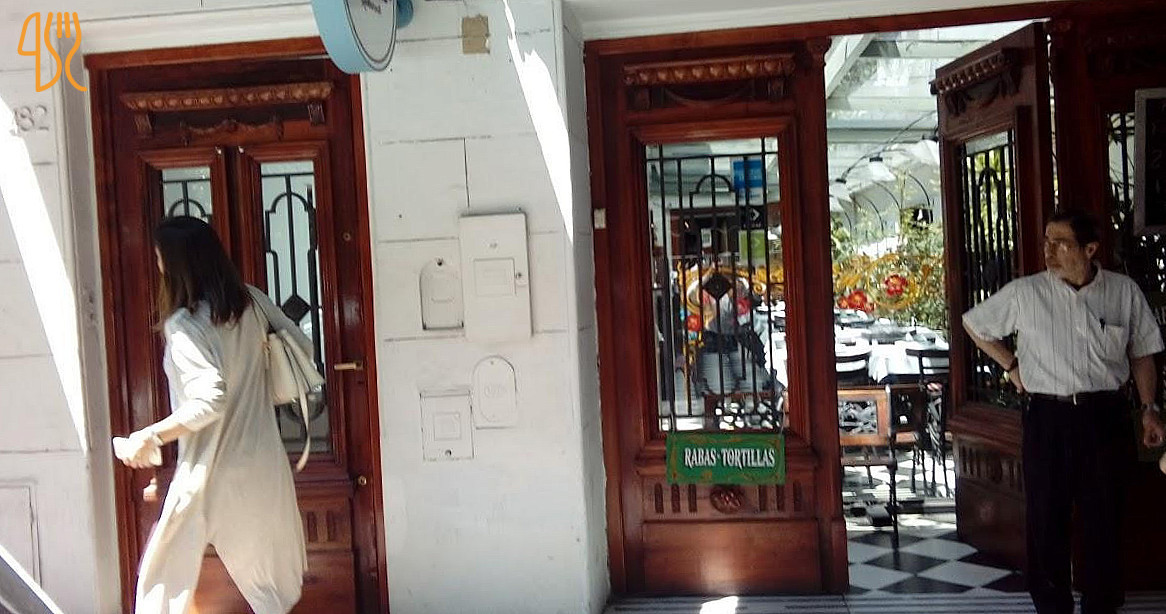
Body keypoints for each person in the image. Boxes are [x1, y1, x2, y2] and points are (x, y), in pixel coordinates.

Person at [962, 209, 1165, 614]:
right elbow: (975, 325)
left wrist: (1149, 408)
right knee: (1046, 515)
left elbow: (1142, 352)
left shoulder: (1122, 293)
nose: (1049, 251)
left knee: (1105, 515)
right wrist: (1012, 366)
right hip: (1048, 417)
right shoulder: (1026, 293)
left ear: (1090, 249)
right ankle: (1051, 605)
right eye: (1047, 241)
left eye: (1061, 243)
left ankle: (1101, 604)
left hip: (1104, 415)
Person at [113, 216, 309, 614]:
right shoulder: (252, 301)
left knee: (161, 584)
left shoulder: (185, 325)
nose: (158, 265)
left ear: (176, 264)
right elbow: (300, 345)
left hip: (208, 469)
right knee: (270, 589)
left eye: (159, 257)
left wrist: (150, 435)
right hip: (260, 463)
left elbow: (209, 400)